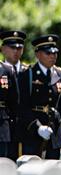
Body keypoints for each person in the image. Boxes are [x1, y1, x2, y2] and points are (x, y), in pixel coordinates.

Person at [17, 34, 61, 159]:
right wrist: (37, 127)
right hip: (33, 132)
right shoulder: (27, 75)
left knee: (53, 169)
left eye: (55, 53)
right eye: (48, 53)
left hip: (54, 131)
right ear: (38, 54)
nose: (52, 56)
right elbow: (22, 106)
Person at [0, 30, 26, 161]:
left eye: (19, 47)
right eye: (12, 47)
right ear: (3, 49)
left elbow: (15, 101)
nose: (16, 51)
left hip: (6, 125)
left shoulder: (6, 70)